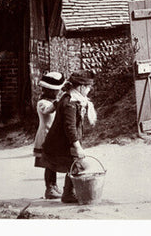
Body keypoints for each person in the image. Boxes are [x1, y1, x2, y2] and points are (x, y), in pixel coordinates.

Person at [39, 70, 98, 203]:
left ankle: (67, 192)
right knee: (76, 164)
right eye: (88, 87)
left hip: (61, 142)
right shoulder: (70, 103)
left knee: (73, 164)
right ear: (81, 87)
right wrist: (77, 147)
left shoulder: (74, 99)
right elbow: (69, 128)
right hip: (60, 143)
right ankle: (68, 194)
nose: (89, 90)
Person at [33, 71, 65, 199]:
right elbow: (47, 110)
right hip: (46, 136)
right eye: (55, 91)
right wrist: (59, 102)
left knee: (53, 164)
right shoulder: (42, 103)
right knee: (49, 165)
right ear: (49, 91)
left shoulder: (52, 101)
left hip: (53, 136)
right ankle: (50, 188)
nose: (57, 92)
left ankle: (54, 186)